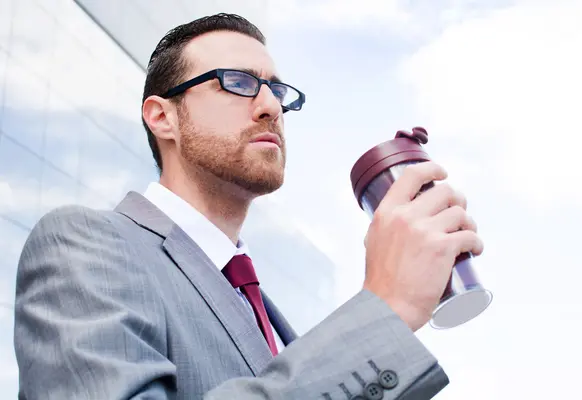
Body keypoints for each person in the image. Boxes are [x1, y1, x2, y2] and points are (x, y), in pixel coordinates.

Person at [13, 13, 483, 400]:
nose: (270, 107)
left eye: (277, 91)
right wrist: (387, 308)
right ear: (162, 117)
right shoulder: (84, 244)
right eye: (236, 82)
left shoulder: (269, 317)